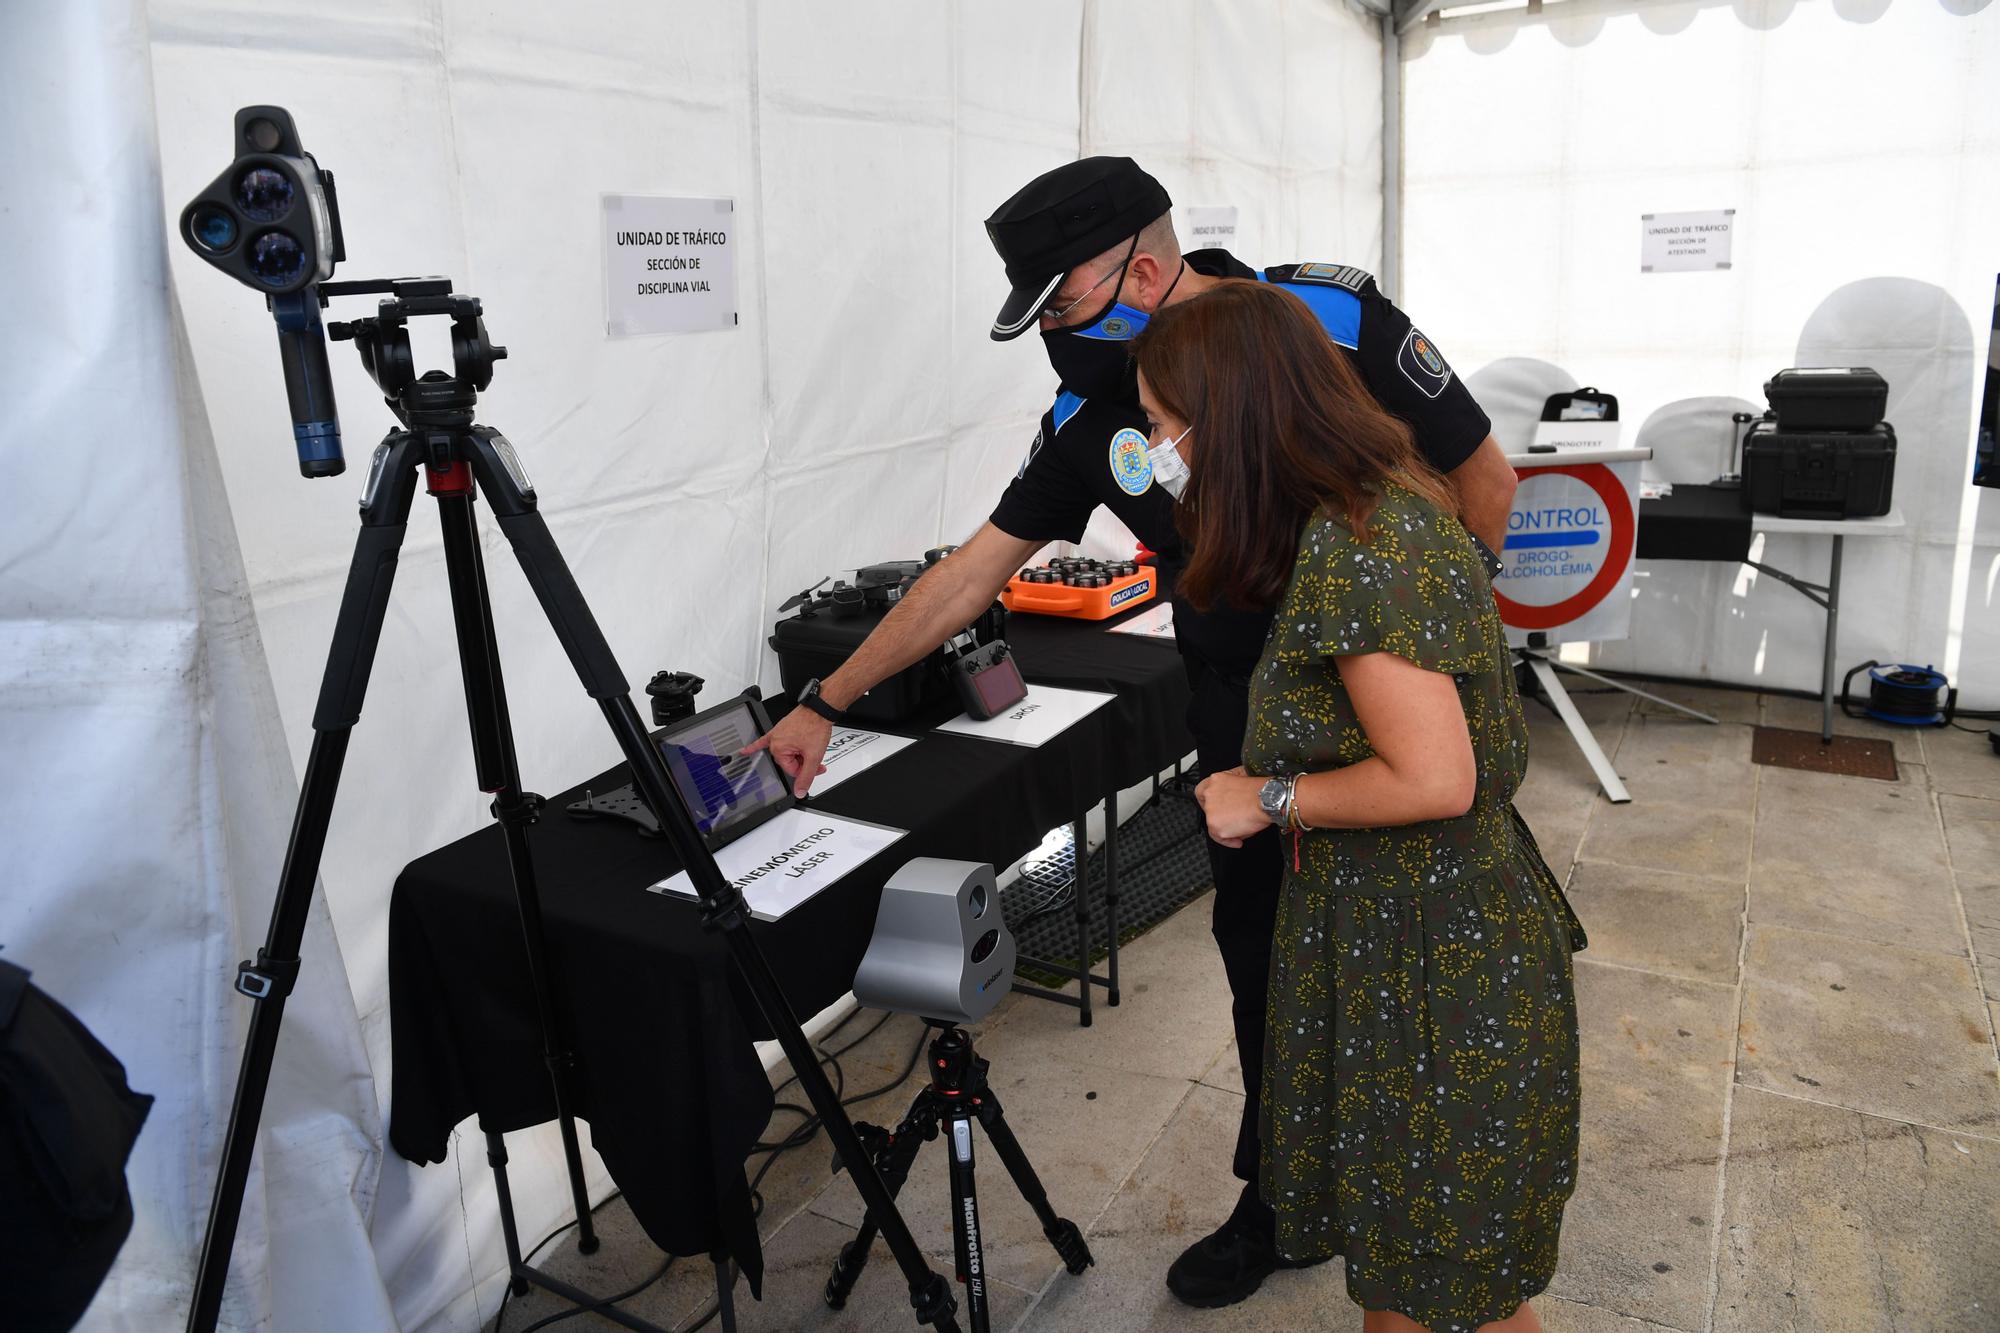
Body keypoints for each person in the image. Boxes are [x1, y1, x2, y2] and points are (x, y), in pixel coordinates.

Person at [748, 156, 1519, 1308]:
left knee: (1399, 974)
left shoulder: (1332, 318)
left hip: (1374, 715)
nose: (1054, 338)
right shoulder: (1089, 406)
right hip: (1235, 725)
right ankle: (1281, 1201)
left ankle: (1409, 1207)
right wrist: (826, 698)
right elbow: (969, 578)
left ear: (1141, 271)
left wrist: (1418, 649)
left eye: (1058, 304)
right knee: (1263, 972)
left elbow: (1483, 482)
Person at [1134, 280, 1582, 1333]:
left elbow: (1434, 778)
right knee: (1455, 1275)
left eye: (1161, 427)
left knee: (1411, 1277)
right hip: (1416, 934)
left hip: (1430, 959)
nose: (1155, 452)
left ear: (1225, 418)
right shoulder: (1377, 505)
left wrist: (1266, 796)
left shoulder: (1357, 551)